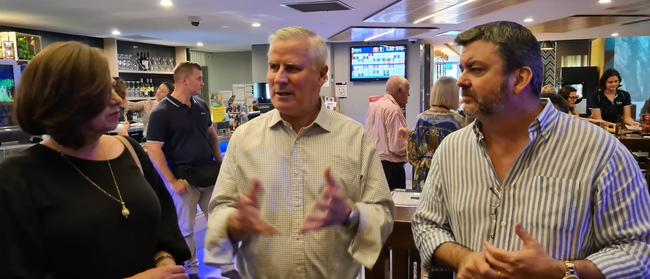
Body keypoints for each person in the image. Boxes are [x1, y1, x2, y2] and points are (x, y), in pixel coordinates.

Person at [412, 21, 650, 279]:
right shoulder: (452, 149)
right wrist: (464, 258)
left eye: (476, 70)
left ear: (521, 78)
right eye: (462, 69)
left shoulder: (600, 152)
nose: (461, 81)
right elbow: (427, 223)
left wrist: (562, 271)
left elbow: (638, 251)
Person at [204, 26, 394, 279]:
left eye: (293, 68)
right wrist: (235, 223)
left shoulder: (354, 138)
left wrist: (351, 215)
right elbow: (218, 211)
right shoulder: (244, 138)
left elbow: (383, 215)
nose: (279, 78)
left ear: (322, 75)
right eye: (274, 67)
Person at [0, 41, 190, 278]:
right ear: (62, 99)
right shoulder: (18, 178)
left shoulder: (128, 149)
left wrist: (164, 261)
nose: (118, 100)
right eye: (101, 92)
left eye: (112, 88)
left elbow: (164, 227)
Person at [146, 62, 222, 278]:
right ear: (184, 80)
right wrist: (171, 181)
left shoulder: (201, 106)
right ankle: (191, 271)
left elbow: (212, 135)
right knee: (186, 229)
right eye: (199, 78)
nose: (202, 82)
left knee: (218, 220)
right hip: (183, 180)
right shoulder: (161, 112)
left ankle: (226, 264)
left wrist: (220, 163)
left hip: (208, 174)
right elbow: (154, 149)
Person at [407, 76, 464, 191]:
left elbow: (412, 155)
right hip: (448, 177)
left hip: (423, 176)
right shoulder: (457, 122)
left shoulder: (421, 119)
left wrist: (425, 163)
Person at [365, 75, 410, 190]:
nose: (408, 95)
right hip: (391, 169)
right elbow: (396, 147)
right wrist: (410, 142)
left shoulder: (374, 106)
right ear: (399, 91)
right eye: (407, 90)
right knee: (394, 205)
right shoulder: (393, 110)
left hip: (374, 164)